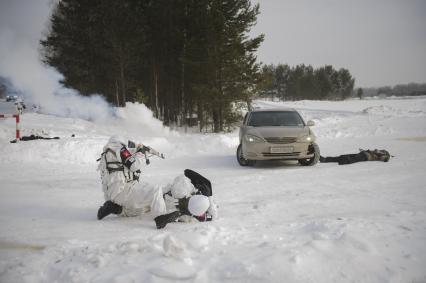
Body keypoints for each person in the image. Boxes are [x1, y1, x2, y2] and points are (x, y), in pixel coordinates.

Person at [96, 136, 218, 229]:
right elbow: (134, 165)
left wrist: (141, 150)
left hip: (113, 194)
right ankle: (160, 217)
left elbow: (126, 162)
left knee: (145, 205)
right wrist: (141, 153)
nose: (129, 147)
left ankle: (115, 208)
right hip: (122, 191)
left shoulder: (108, 153)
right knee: (155, 191)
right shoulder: (117, 146)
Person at [320, 148, 391, 165]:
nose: (379, 150)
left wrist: (385, 156)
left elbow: (385, 159)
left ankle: (325, 160)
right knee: (343, 156)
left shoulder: (383, 155)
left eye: (382, 151)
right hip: (363, 154)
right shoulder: (376, 152)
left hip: (365, 157)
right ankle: (325, 159)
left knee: (350, 159)